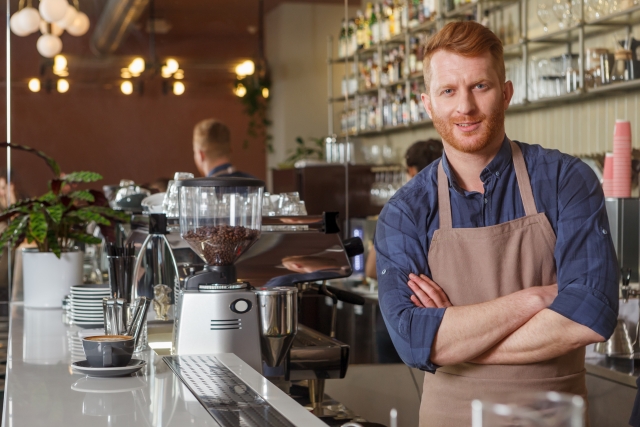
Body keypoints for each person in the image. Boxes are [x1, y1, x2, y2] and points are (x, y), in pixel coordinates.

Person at [374, 21, 618, 426]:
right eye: (448, 91)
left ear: (505, 93)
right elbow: (413, 339)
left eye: (480, 87)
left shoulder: (565, 180)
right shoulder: (405, 211)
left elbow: (590, 314)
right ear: (427, 103)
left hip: (551, 420)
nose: (465, 107)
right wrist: (535, 300)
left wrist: (455, 337)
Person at [365, 139, 443, 280]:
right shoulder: (459, 201)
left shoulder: (399, 210)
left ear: (411, 171)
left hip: (412, 297)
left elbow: (371, 270)